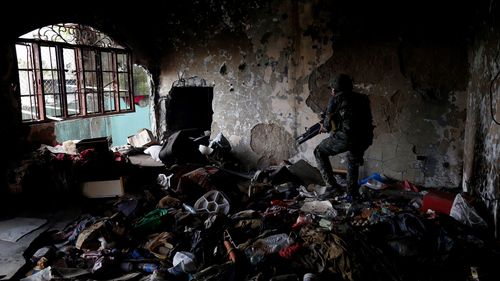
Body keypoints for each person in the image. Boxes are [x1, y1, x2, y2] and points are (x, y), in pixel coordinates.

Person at [314, 74, 374, 198]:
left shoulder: (336, 98)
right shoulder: (363, 98)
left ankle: (332, 187)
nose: (332, 91)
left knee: (319, 151)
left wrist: (323, 127)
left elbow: (327, 125)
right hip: (364, 138)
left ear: (335, 89)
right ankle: (352, 193)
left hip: (346, 138)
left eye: (332, 89)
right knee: (353, 160)